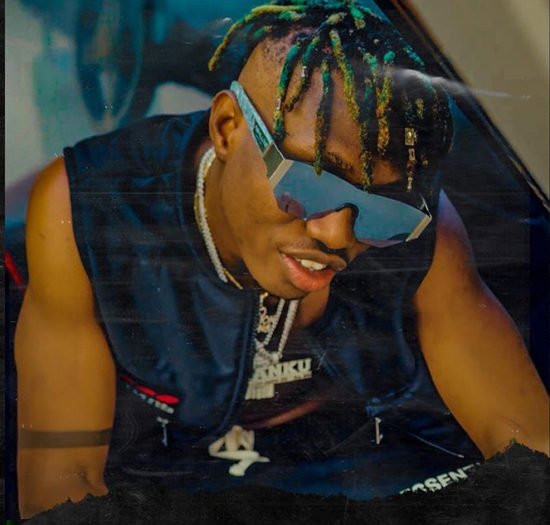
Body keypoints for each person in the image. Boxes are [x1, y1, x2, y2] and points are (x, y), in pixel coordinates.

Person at [15, 0, 549, 518]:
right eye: (309, 183)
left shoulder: (423, 228)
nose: (337, 235)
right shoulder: (87, 210)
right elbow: (65, 486)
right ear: (227, 127)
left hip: (360, 470)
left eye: (379, 210)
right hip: (170, 480)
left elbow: (530, 449)